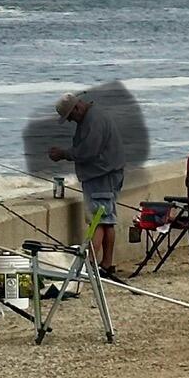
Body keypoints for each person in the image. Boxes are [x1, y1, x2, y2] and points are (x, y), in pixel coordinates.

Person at [48, 92, 124, 276]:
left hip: (101, 177)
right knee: (107, 221)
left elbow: (87, 151)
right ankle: (106, 264)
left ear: (77, 108)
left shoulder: (93, 120)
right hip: (109, 174)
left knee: (96, 222)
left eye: (70, 117)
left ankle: (89, 265)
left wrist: (63, 154)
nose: (70, 121)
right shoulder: (96, 115)